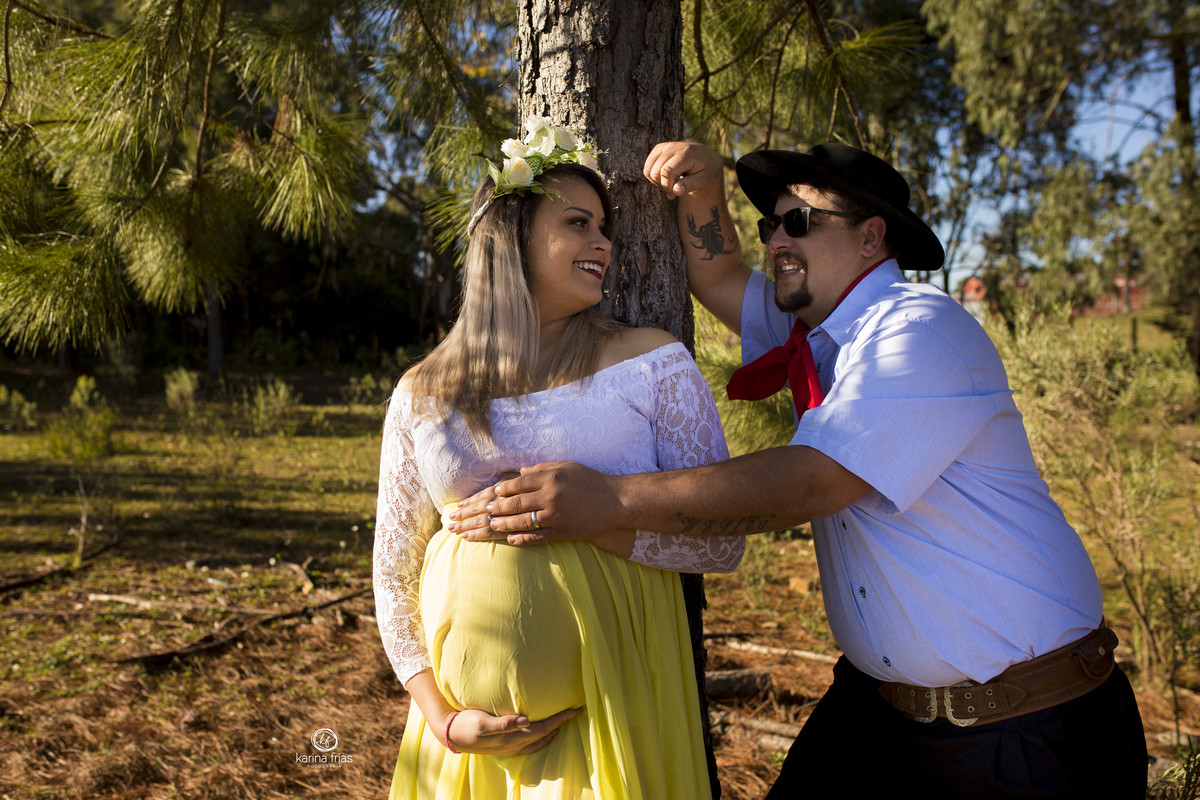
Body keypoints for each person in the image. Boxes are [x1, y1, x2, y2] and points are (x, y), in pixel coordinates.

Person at [449, 140, 1149, 798]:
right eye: (769, 227)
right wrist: (702, 192)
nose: (777, 240)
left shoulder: (916, 329)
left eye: (799, 222)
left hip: (1021, 731)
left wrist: (610, 501)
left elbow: (814, 480)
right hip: (880, 713)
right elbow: (718, 273)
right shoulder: (814, 334)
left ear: (872, 237)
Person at [373, 121, 744, 800]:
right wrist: (443, 718)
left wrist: (592, 518)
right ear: (509, 237)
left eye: (605, 227)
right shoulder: (422, 391)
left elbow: (723, 545)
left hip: (617, 711)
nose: (602, 241)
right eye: (578, 223)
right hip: (465, 751)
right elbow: (392, 571)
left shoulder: (650, 361)